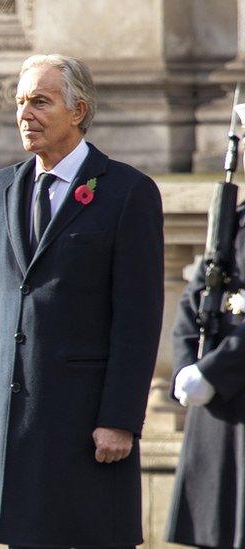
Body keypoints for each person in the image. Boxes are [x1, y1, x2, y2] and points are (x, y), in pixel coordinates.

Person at [0, 54, 164, 548]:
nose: (26, 114)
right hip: (15, 423)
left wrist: (119, 419)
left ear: (78, 110)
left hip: (87, 425)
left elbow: (138, 318)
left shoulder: (127, 192)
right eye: (21, 102)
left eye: (41, 102)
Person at [168, 176, 245, 545]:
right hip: (218, 408)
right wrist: (186, 363)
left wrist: (214, 371)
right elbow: (194, 298)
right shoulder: (237, 219)